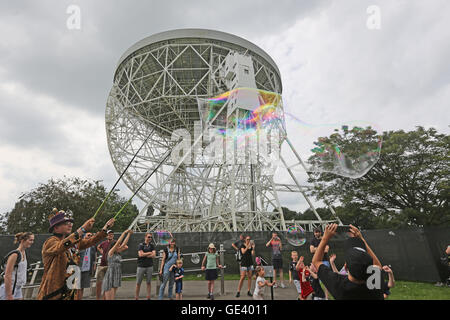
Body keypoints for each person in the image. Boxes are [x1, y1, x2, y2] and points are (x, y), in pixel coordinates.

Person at [37, 209, 115, 300]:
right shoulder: (50, 242)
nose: (70, 224)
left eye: (70, 223)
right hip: (53, 294)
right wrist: (82, 229)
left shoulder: (73, 243)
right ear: (55, 227)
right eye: (65, 223)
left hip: (70, 291)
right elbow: (61, 246)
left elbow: (90, 241)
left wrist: (105, 228)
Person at [312, 224, 384, 300]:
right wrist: (361, 239)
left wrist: (325, 238)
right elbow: (377, 265)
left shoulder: (339, 285)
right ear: (371, 269)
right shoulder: (374, 285)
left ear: (346, 267)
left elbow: (316, 261)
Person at [0, 232, 34, 300]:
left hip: (18, 288)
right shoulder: (15, 255)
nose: (32, 242)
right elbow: (7, 275)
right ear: (22, 240)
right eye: (30, 240)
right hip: (9, 288)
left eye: (33, 240)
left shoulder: (24, 253)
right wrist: (9, 295)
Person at [102, 229, 133, 300]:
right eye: (118, 246)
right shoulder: (110, 253)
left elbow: (124, 244)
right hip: (111, 273)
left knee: (113, 295)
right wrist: (124, 232)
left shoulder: (118, 252)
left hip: (117, 273)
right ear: (114, 246)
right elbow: (118, 242)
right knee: (110, 297)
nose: (119, 246)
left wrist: (129, 234)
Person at [135, 232, 156, 300]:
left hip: (149, 266)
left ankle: (148, 297)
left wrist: (145, 254)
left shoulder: (152, 245)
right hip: (141, 266)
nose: (150, 238)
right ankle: (136, 297)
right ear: (145, 237)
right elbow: (140, 255)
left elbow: (154, 255)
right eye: (148, 237)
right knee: (138, 283)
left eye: (150, 237)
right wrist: (149, 253)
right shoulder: (141, 245)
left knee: (149, 282)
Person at [310, 227, 329, 299]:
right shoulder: (312, 240)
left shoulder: (324, 240)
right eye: (315, 232)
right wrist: (321, 248)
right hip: (315, 262)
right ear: (314, 233)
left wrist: (316, 248)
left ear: (320, 232)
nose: (317, 233)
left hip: (324, 261)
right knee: (313, 280)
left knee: (325, 281)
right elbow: (311, 250)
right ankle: (316, 294)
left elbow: (326, 250)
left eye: (318, 232)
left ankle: (326, 297)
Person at [76, 232, 97, 300]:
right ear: (84, 236)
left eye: (91, 235)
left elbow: (94, 257)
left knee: (82, 287)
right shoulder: (80, 245)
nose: (90, 236)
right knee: (76, 287)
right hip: (78, 268)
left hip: (87, 269)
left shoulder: (93, 247)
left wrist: (94, 265)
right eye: (88, 235)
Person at [96, 229, 115, 299]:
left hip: (110, 265)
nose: (110, 235)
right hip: (102, 265)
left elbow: (122, 247)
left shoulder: (115, 243)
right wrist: (102, 252)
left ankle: (105, 298)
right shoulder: (104, 243)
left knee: (107, 284)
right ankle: (98, 298)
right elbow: (98, 246)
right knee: (99, 283)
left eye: (112, 234)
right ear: (106, 236)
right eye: (109, 234)